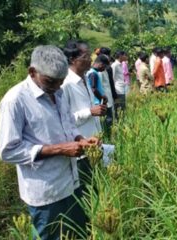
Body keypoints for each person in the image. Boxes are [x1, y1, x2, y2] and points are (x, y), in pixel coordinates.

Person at [0, 45, 100, 239]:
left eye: (61, 82)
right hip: (46, 193)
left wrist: (81, 139)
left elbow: (68, 125)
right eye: (51, 81)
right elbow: (8, 151)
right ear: (32, 72)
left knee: (79, 233)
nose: (57, 87)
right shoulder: (15, 100)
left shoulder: (58, 92)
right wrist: (61, 149)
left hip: (71, 183)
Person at [62, 40, 105, 193]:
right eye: (86, 56)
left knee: (98, 186)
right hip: (81, 148)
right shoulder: (65, 84)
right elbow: (63, 120)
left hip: (94, 142)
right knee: (87, 190)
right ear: (73, 59)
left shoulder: (85, 79)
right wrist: (89, 112)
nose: (90, 59)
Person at [98, 48, 116, 128]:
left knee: (110, 116)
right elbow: (100, 86)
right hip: (105, 97)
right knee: (108, 118)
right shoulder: (100, 72)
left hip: (108, 95)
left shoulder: (105, 69)